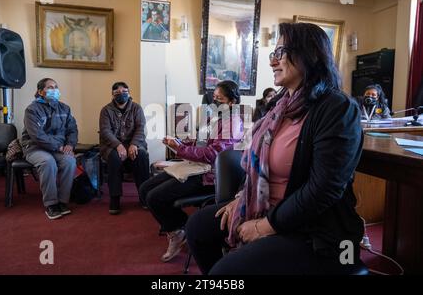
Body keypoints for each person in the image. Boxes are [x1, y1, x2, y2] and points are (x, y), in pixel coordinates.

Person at [186, 22, 364, 275]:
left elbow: (324, 190)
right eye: (273, 54)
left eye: (280, 53)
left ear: (308, 54)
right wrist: (240, 199)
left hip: (311, 226)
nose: (272, 62)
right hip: (266, 206)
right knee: (198, 228)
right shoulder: (280, 105)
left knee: (225, 273)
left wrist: (265, 226)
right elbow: (256, 163)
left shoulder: (337, 108)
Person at [139, 80, 244, 263]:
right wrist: (180, 143)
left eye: (219, 99)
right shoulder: (216, 118)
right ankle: (179, 227)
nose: (214, 102)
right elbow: (201, 143)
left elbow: (213, 154)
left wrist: (180, 150)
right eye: (214, 98)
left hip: (209, 176)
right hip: (196, 167)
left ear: (232, 102)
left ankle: (179, 230)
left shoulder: (232, 123)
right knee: (145, 189)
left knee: (154, 197)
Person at [21, 78, 78, 220]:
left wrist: (70, 145)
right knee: (48, 162)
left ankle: (63, 201)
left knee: (70, 161)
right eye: (50, 87)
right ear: (40, 92)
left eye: (56, 87)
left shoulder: (65, 108)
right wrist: (58, 146)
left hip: (59, 148)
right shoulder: (32, 110)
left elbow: (72, 129)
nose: (54, 90)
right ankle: (51, 204)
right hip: (35, 147)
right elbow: (37, 135)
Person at [99, 82, 150, 215]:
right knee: (114, 158)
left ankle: (144, 195)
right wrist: (118, 145)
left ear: (129, 93)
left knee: (142, 156)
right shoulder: (106, 110)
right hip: (112, 145)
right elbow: (105, 131)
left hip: (134, 143)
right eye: (117, 93)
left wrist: (134, 144)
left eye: (124, 91)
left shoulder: (136, 108)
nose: (121, 94)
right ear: (112, 94)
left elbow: (140, 128)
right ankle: (115, 198)